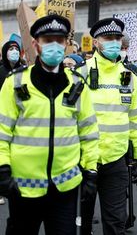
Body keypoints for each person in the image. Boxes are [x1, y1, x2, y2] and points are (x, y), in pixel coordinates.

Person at [0, 14, 99, 235]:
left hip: (65, 188)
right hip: (23, 189)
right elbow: (1, 132)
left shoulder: (77, 85)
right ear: (35, 44)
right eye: (47, 40)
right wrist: (2, 170)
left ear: (66, 44)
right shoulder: (14, 83)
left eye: (59, 40)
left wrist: (91, 170)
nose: (54, 45)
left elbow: (89, 132)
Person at [82, 18, 137, 234]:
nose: (113, 42)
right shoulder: (79, 75)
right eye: (107, 38)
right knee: (81, 224)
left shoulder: (130, 78)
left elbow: (136, 121)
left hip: (116, 161)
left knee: (115, 224)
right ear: (95, 42)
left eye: (117, 38)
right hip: (83, 161)